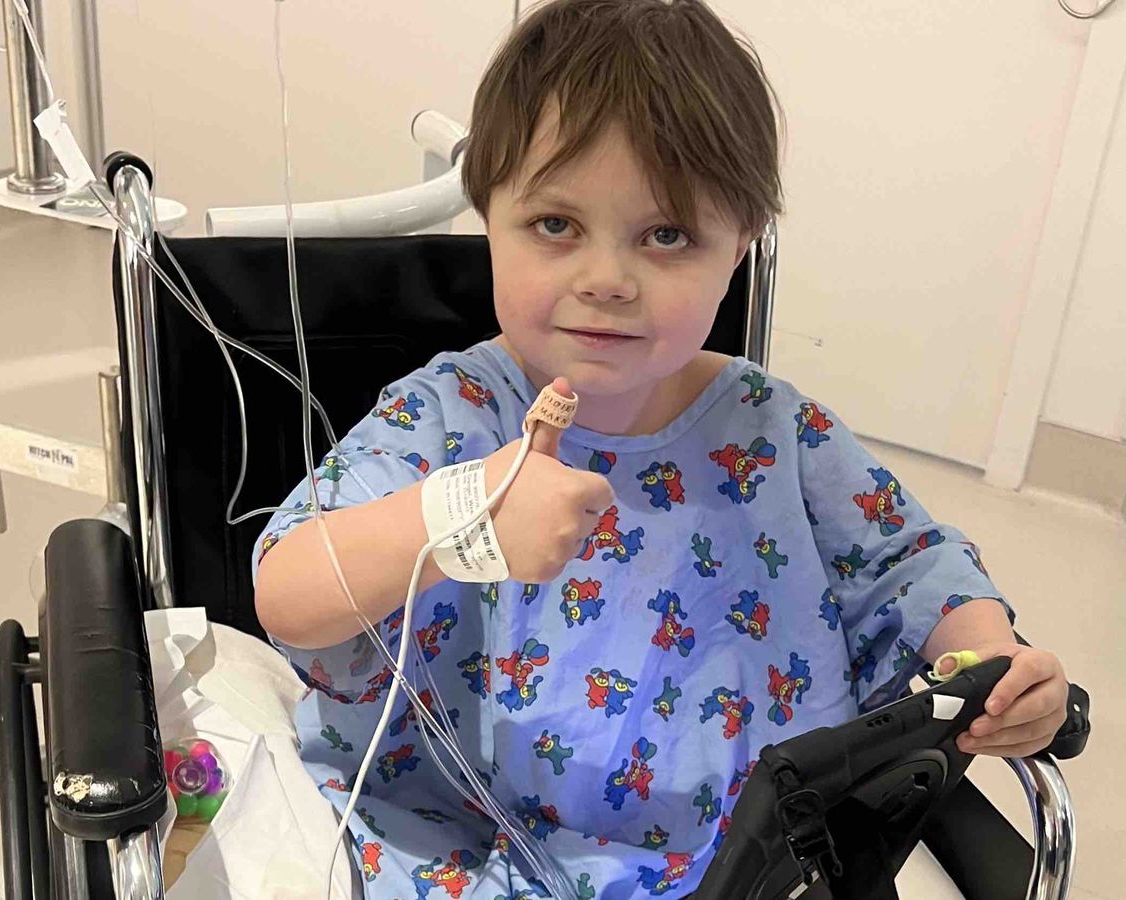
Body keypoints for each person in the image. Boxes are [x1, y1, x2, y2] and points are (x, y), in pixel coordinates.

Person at [253, 1, 1069, 895]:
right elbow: (287, 591)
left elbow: (911, 565)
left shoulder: (772, 430)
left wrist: (993, 666)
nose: (607, 280)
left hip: (756, 858)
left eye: (667, 235)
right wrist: (462, 517)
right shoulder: (452, 417)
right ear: (489, 215)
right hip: (481, 847)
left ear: (740, 245)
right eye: (555, 225)